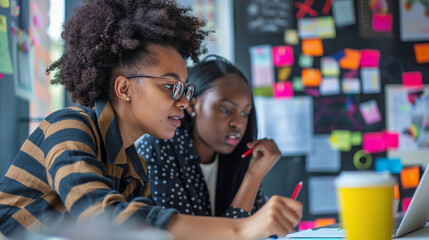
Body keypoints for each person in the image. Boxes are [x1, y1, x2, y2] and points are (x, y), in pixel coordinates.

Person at [0, 0, 302, 239]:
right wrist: (244, 229)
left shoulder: (134, 167)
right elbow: (102, 217)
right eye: (171, 87)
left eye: (186, 89)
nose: (184, 102)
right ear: (124, 88)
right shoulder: (67, 125)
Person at [136, 55, 286, 219]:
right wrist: (253, 177)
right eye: (226, 110)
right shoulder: (157, 149)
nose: (238, 123)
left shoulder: (240, 158)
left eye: (245, 113)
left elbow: (261, 232)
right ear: (192, 104)